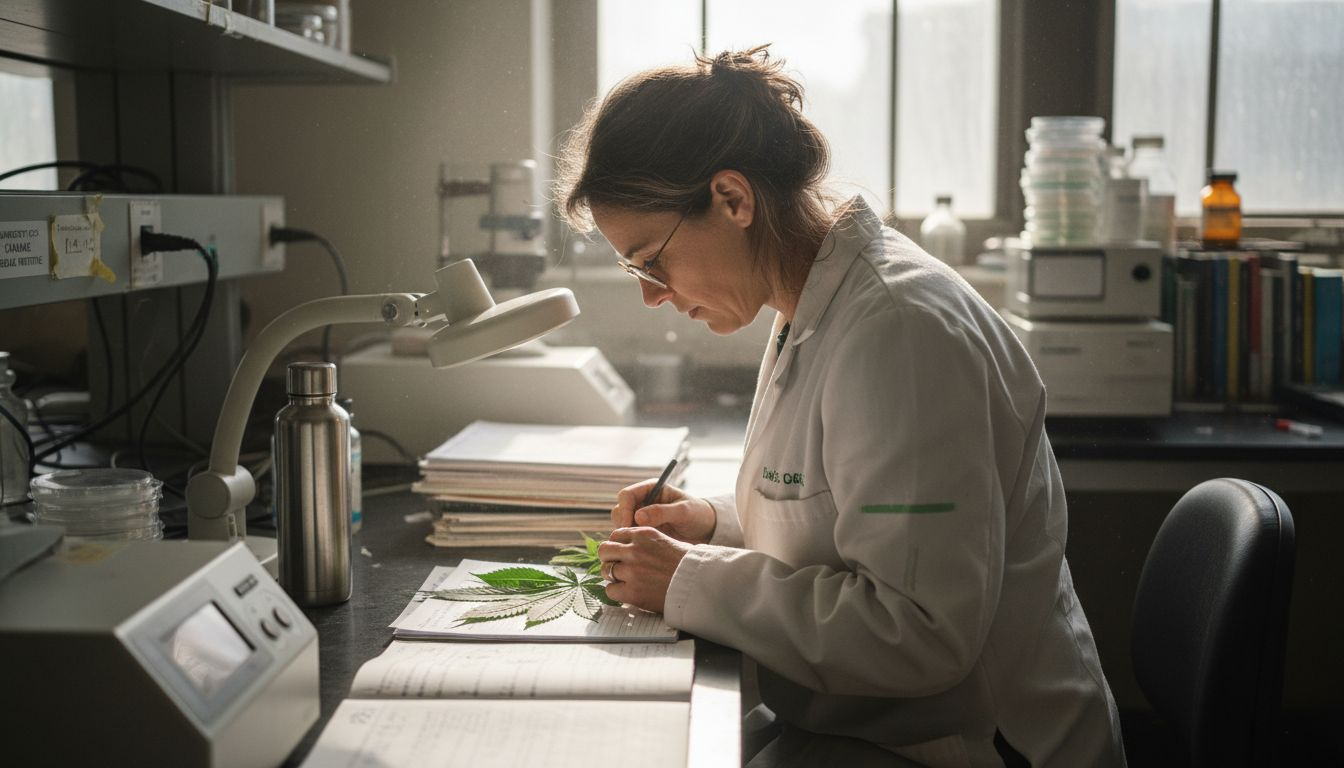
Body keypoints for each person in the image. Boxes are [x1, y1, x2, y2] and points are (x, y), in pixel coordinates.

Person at [556, 45, 1126, 768]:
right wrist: (711, 524)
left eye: (650, 259)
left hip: (971, 748)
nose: (650, 294)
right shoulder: (814, 301)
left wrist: (689, 578)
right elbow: (845, 515)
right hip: (874, 731)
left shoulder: (899, 329)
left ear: (732, 199)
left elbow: (919, 632)